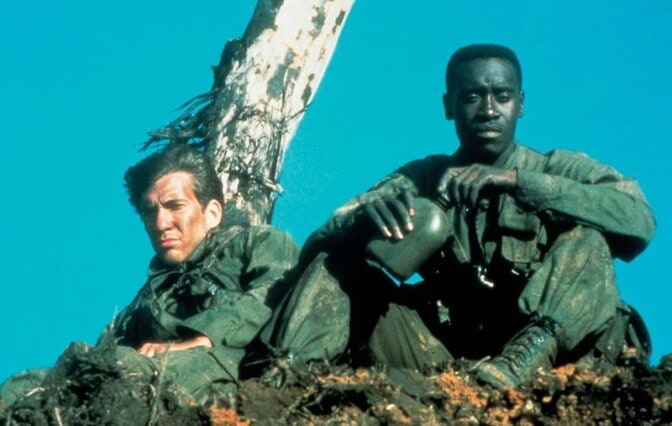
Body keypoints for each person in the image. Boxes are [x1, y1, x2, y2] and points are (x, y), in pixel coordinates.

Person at [263, 44, 655, 388]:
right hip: (451, 359)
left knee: (589, 240)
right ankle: (284, 378)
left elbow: (639, 221)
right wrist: (361, 222)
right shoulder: (422, 178)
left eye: (502, 96)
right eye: (472, 97)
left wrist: (517, 182)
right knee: (340, 262)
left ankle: (523, 361)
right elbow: (320, 242)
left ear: (520, 103)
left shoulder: (558, 168)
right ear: (449, 106)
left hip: (557, 358)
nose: (488, 110)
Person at [1, 144, 299, 407]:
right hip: (150, 373)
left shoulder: (256, 243)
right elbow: (103, 357)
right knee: (24, 384)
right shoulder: (146, 299)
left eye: (174, 206)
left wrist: (204, 337)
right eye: (149, 211)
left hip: (229, 370)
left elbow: (278, 289)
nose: (160, 223)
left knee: (127, 369)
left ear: (212, 213)